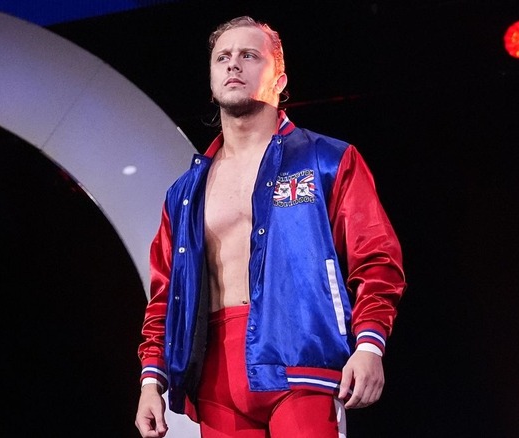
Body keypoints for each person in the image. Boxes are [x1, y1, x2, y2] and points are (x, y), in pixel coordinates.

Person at [135, 15, 406, 438]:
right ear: (211, 80)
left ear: (279, 79)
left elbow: (377, 259)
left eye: (248, 55)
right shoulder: (185, 192)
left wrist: (370, 344)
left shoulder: (326, 160)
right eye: (222, 57)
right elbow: (165, 296)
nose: (233, 65)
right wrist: (152, 381)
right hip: (217, 382)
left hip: (301, 366)